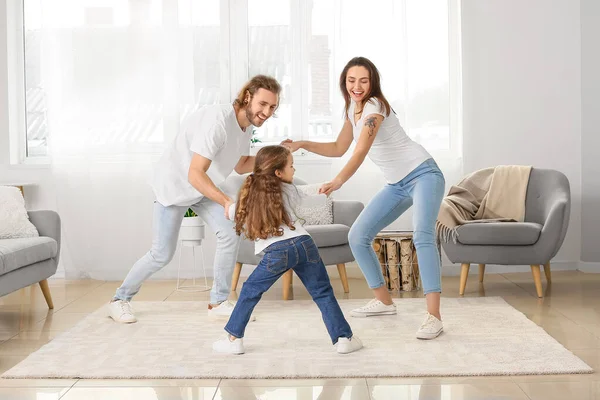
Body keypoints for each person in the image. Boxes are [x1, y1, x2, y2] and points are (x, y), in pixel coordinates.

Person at [282, 57, 446, 339]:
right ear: (344, 83)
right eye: (351, 80)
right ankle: (383, 301)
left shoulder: (375, 108)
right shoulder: (352, 110)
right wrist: (302, 144)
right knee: (357, 235)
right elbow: (338, 147)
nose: (357, 86)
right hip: (397, 184)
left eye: (363, 81)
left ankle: (434, 317)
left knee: (423, 236)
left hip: (423, 175)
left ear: (372, 83)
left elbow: (359, 151)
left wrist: (338, 181)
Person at [108, 75, 282, 323]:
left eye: (272, 107)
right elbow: (194, 172)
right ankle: (119, 299)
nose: (266, 112)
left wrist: (278, 155)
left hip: (202, 187)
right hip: (176, 186)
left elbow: (242, 165)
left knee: (230, 232)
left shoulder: (246, 127)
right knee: (161, 254)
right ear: (247, 97)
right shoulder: (218, 121)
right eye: (263, 104)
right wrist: (226, 202)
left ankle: (218, 302)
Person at [212, 145, 363, 354]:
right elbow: (306, 191)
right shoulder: (290, 189)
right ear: (278, 172)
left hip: (277, 251)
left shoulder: (248, 194)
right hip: (305, 244)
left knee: (249, 291)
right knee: (322, 292)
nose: (294, 170)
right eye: (292, 166)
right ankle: (343, 339)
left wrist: (227, 205)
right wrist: (325, 186)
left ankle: (233, 339)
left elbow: (231, 212)